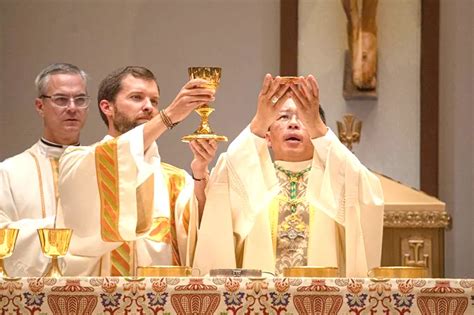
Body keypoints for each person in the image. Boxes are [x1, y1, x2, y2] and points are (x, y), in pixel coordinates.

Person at [193, 74, 384, 277]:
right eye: (283, 117)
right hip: (260, 301)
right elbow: (222, 190)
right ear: (267, 136)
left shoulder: (333, 178)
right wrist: (258, 123)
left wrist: (318, 127)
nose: (293, 124)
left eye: (303, 118)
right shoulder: (252, 177)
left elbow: (367, 192)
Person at [57, 66, 217, 276]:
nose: (149, 107)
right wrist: (168, 116)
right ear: (107, 107)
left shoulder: (174, 180)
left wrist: (199, 173)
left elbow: (201, 233)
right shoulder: (76, 160)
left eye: (154, 101)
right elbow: (112, 158)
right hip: (97, 300)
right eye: (136, 97)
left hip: (158, 303)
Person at [0, 63, 89, 276]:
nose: (72, 107)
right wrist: (61, 228)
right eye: (60, 99)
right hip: (27, 296)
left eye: (80, 100)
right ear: (40, 106)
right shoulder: (9, 171)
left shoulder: (97, 167)